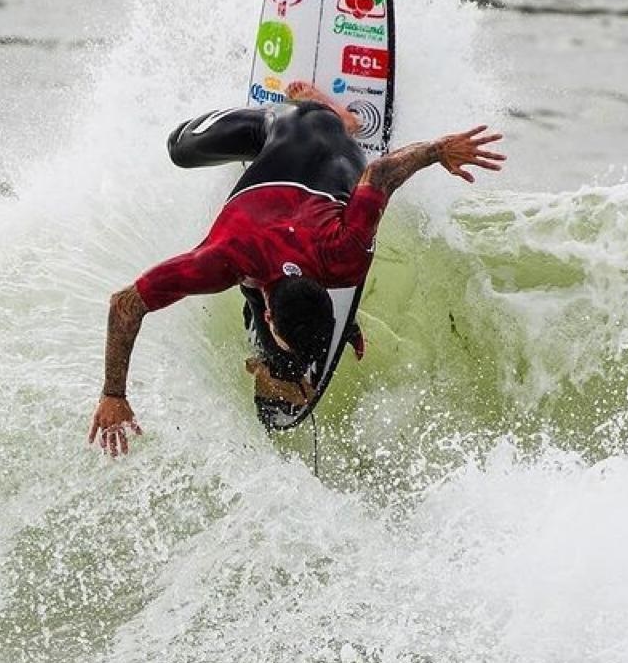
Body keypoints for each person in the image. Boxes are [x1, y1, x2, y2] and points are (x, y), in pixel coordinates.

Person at [88, 82, 506, 456]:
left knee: (263, 299)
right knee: (178, 147)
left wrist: (439, 151)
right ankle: (325, 107)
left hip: (330, 162)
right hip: (292, 125)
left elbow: (381, 172)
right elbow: (124, 303)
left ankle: (338, 119)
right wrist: (112, 394)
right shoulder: (225, 259)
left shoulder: (344, 255)